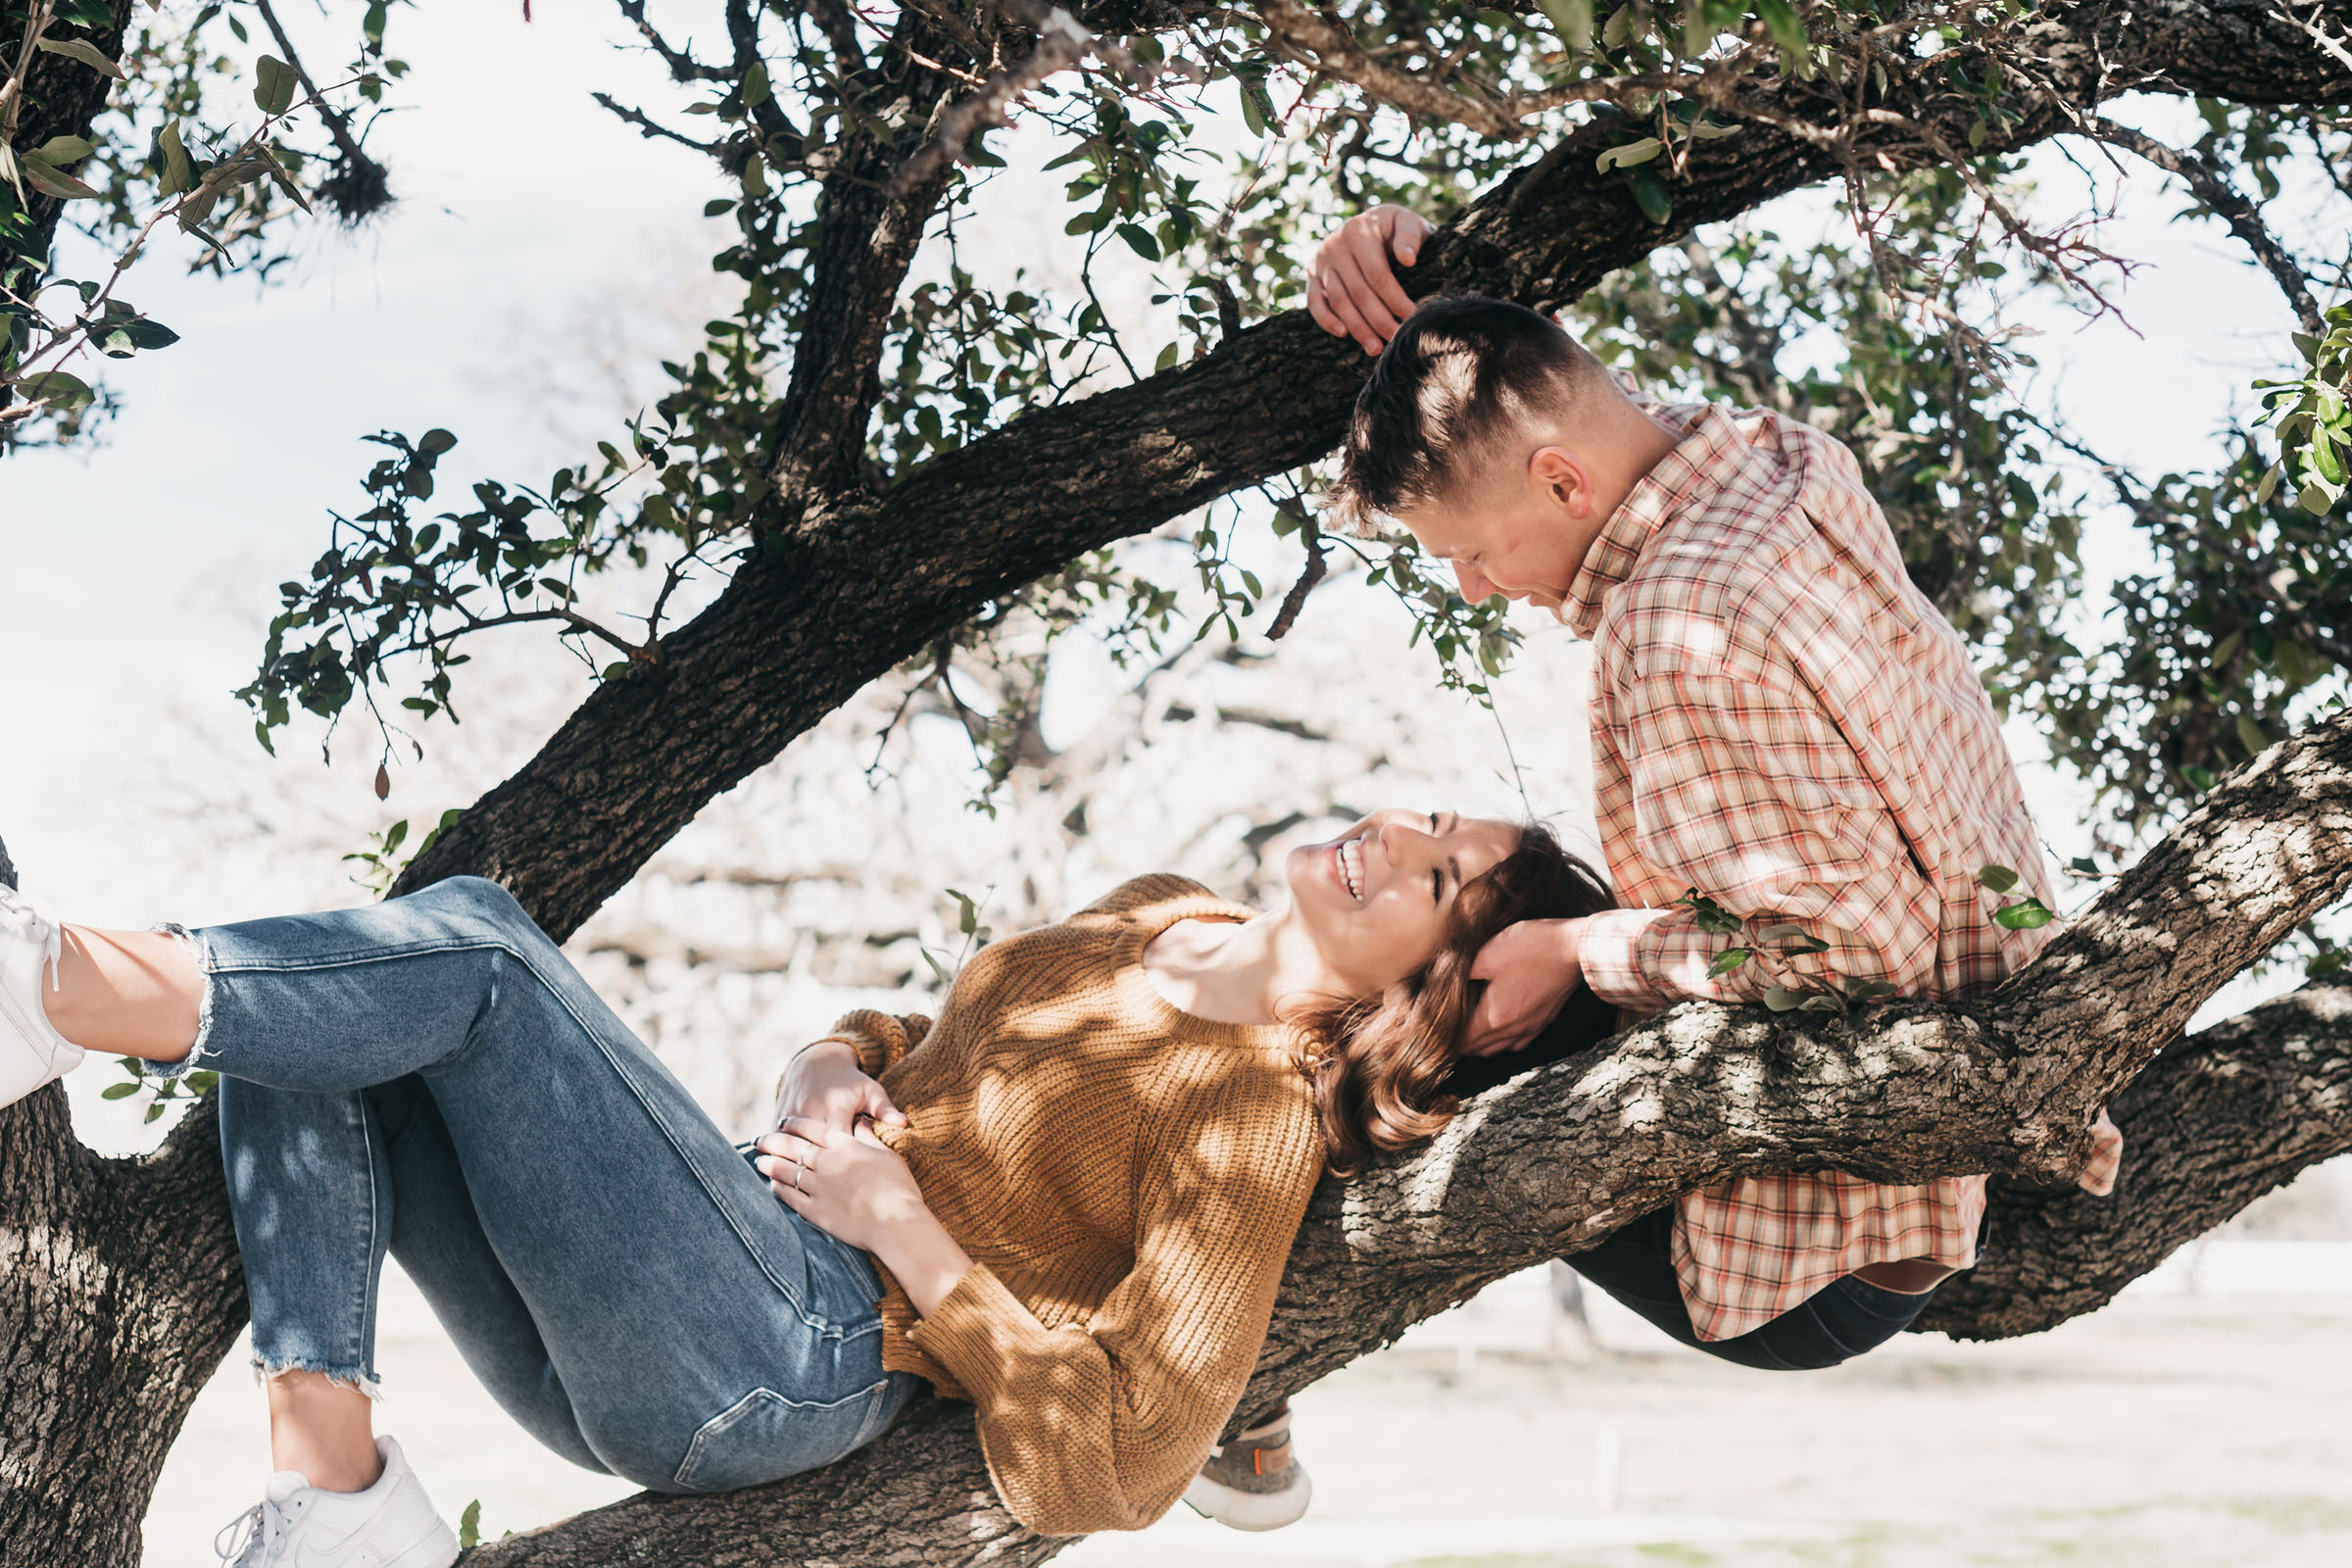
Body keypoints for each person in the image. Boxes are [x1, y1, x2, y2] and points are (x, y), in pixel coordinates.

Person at [0, 807, 1610, 1564]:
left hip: (795, 1360)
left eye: (1443, 880)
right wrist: (828, 1068)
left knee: (476, 939)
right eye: (1434, 820)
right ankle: (338, 1512)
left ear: (1431, 983)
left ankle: (45, 985)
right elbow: (934, 1036)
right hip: (715, 1281)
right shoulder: (1162, 911)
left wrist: (900, 1226)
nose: (1397, 838)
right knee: (336, 1013)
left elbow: (1119, 1463)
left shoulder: (1258, 1121)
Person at [1297, 206, 2124, 1375]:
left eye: (1471, 554)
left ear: (1562, 485)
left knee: (1406, 1016)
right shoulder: (1775, 459)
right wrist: (1413, 288)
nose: (1479, 590)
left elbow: (1847, 960)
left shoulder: (1678, 637)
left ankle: (1215, 1359)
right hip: (1948, 1131)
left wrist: (1581, 955)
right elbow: (1561, 394)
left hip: (1817, 1262)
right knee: (1497, 907)